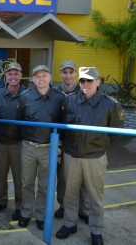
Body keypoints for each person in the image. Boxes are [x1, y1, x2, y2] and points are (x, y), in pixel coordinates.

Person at [56, 67, 123, 245]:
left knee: (95, 197)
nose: (86, 84)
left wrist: (99, 147)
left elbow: (116, 133)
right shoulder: (69, 101)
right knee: (69, 195)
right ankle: (70, 223)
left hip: (95, 157)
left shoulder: (110, 104)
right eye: (83, 81)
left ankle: (96, 231)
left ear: (98, 81)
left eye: (90, 80)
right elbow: (63, 126)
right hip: (72, 156)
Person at [17, 65, 64, 231]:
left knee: (45, 186)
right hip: (29, 146)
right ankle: (26, 212)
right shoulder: (25, 97)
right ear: (33, 79)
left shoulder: (60, 98)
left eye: (44, 76)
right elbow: (21, 117)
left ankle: (41, 215)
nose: (41, 79)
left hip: (49, 148)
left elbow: (63, 121)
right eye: (37, 76)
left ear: (50, 77)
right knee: (27, 182)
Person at [0, 62, 26, 221]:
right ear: (6, 76)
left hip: (18, 142)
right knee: (1, 175)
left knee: (19, 177)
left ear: (21, 75)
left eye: (16, 73)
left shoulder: (27, 93)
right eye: (10, 74)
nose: (13, 77)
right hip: (1, 142)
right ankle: (1, 200)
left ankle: (20, 205)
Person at [54, 60, 89, 223]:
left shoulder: (83, 90)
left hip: (80, 143)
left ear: (76, 73)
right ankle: (63, 205)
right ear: (60, 73)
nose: (68, 76)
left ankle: (83, 210)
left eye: (71, 72)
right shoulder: (55, 92)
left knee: (82, 179)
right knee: (62, 178)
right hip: (61, 142)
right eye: (64, 72)